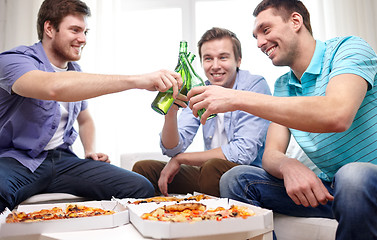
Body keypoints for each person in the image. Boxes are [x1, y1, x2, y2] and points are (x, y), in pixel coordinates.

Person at [187, 1, 377, 239]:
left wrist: (236, 98)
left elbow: (337, 114)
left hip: (367, 182)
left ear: (295, 21)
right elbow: (271, 154)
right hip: (329, 190)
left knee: (353, 176)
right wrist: (288, 166)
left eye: (265, 30)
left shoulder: (349, 49)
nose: (259, 43)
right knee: (237, 179)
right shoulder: (283, 86)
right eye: (255, 36)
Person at [0, 0, 183, 213]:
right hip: (18, 160)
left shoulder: (75, 72)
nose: (83, 39)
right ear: (49, 28)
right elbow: (53, 88)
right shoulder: (13, 61)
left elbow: (85, 120)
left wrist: (90, 151)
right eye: (75, 30)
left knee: (139, 187)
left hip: (63, 161)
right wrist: (138, 81)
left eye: (86, 31)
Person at [132, 27, 271, 197]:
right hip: (209, 172)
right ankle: (162, 218)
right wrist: (171, 113)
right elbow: (172, 149)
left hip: (246, 176)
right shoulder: (200, 89)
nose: (215, 66)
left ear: (238, 60)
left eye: (223, 57)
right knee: (144, 169)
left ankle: (210, 219)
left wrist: (182, 159)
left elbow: (243, 152)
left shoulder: (253, 86)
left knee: (212, 166)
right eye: (208, 59)